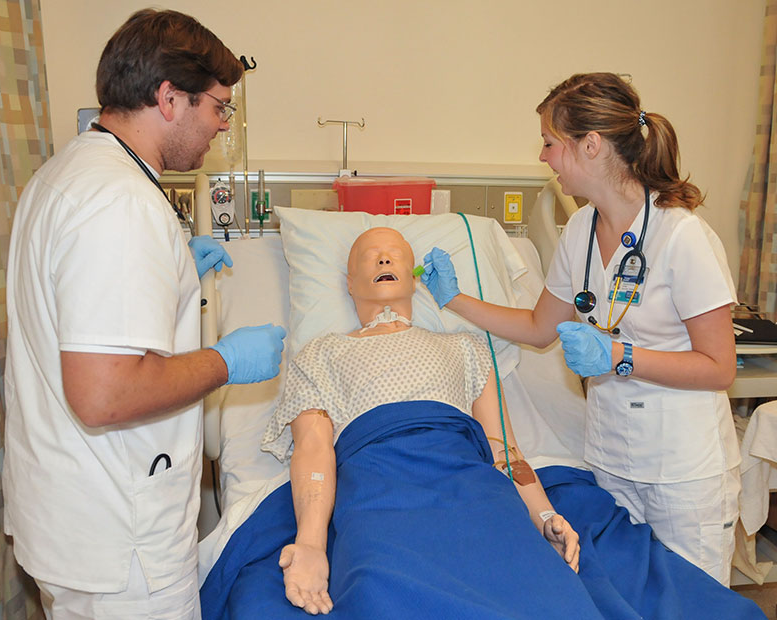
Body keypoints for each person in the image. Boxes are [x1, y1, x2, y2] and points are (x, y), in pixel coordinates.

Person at [3, 9, 285, 618]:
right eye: (218, 108)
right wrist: (226, 362)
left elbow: (81, 306)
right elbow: (103, 394)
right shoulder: (119, 205)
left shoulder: (69, 174)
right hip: (120, 547)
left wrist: (173, 272)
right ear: (169, 98)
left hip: (74, 518)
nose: (220, 128)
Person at [420, 72, 742, 585]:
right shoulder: (579, 232)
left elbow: (719, 367)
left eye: (550, 143)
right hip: (611, 458)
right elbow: (537, 327)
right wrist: (454, 299)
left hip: (683, 468)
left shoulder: (684, 237)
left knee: (690, 602)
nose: (543, 157)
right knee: (621, 595)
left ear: (590, 146)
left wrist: (619, 356)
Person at [259, 227, 580, 615]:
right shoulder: (321, 354)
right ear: (349, 282)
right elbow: (312, 449)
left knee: (537, 592)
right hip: (378, 494)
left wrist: (544, 515)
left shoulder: (465, 348)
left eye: (395, 253)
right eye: (369, 255)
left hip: (471, 488)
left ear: (415, 277)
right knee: (383, 591)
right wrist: (310, 543)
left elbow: (504, 450)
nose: (383, 259)